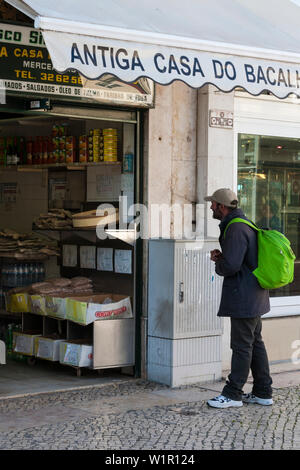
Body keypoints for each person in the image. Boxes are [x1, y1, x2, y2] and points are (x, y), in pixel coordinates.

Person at [204, 188, 273, 409]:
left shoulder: (235, 228)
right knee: (255, 343)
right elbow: (242, 259)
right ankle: (263, 391)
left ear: (222, 206)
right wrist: (224, 258)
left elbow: (232, 266)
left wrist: (219, 262)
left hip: (243, 296)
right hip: (254, 294)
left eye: (213, 204)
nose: (211, 207)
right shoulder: (244, 224)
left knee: (242, 345)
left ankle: (233, 394)